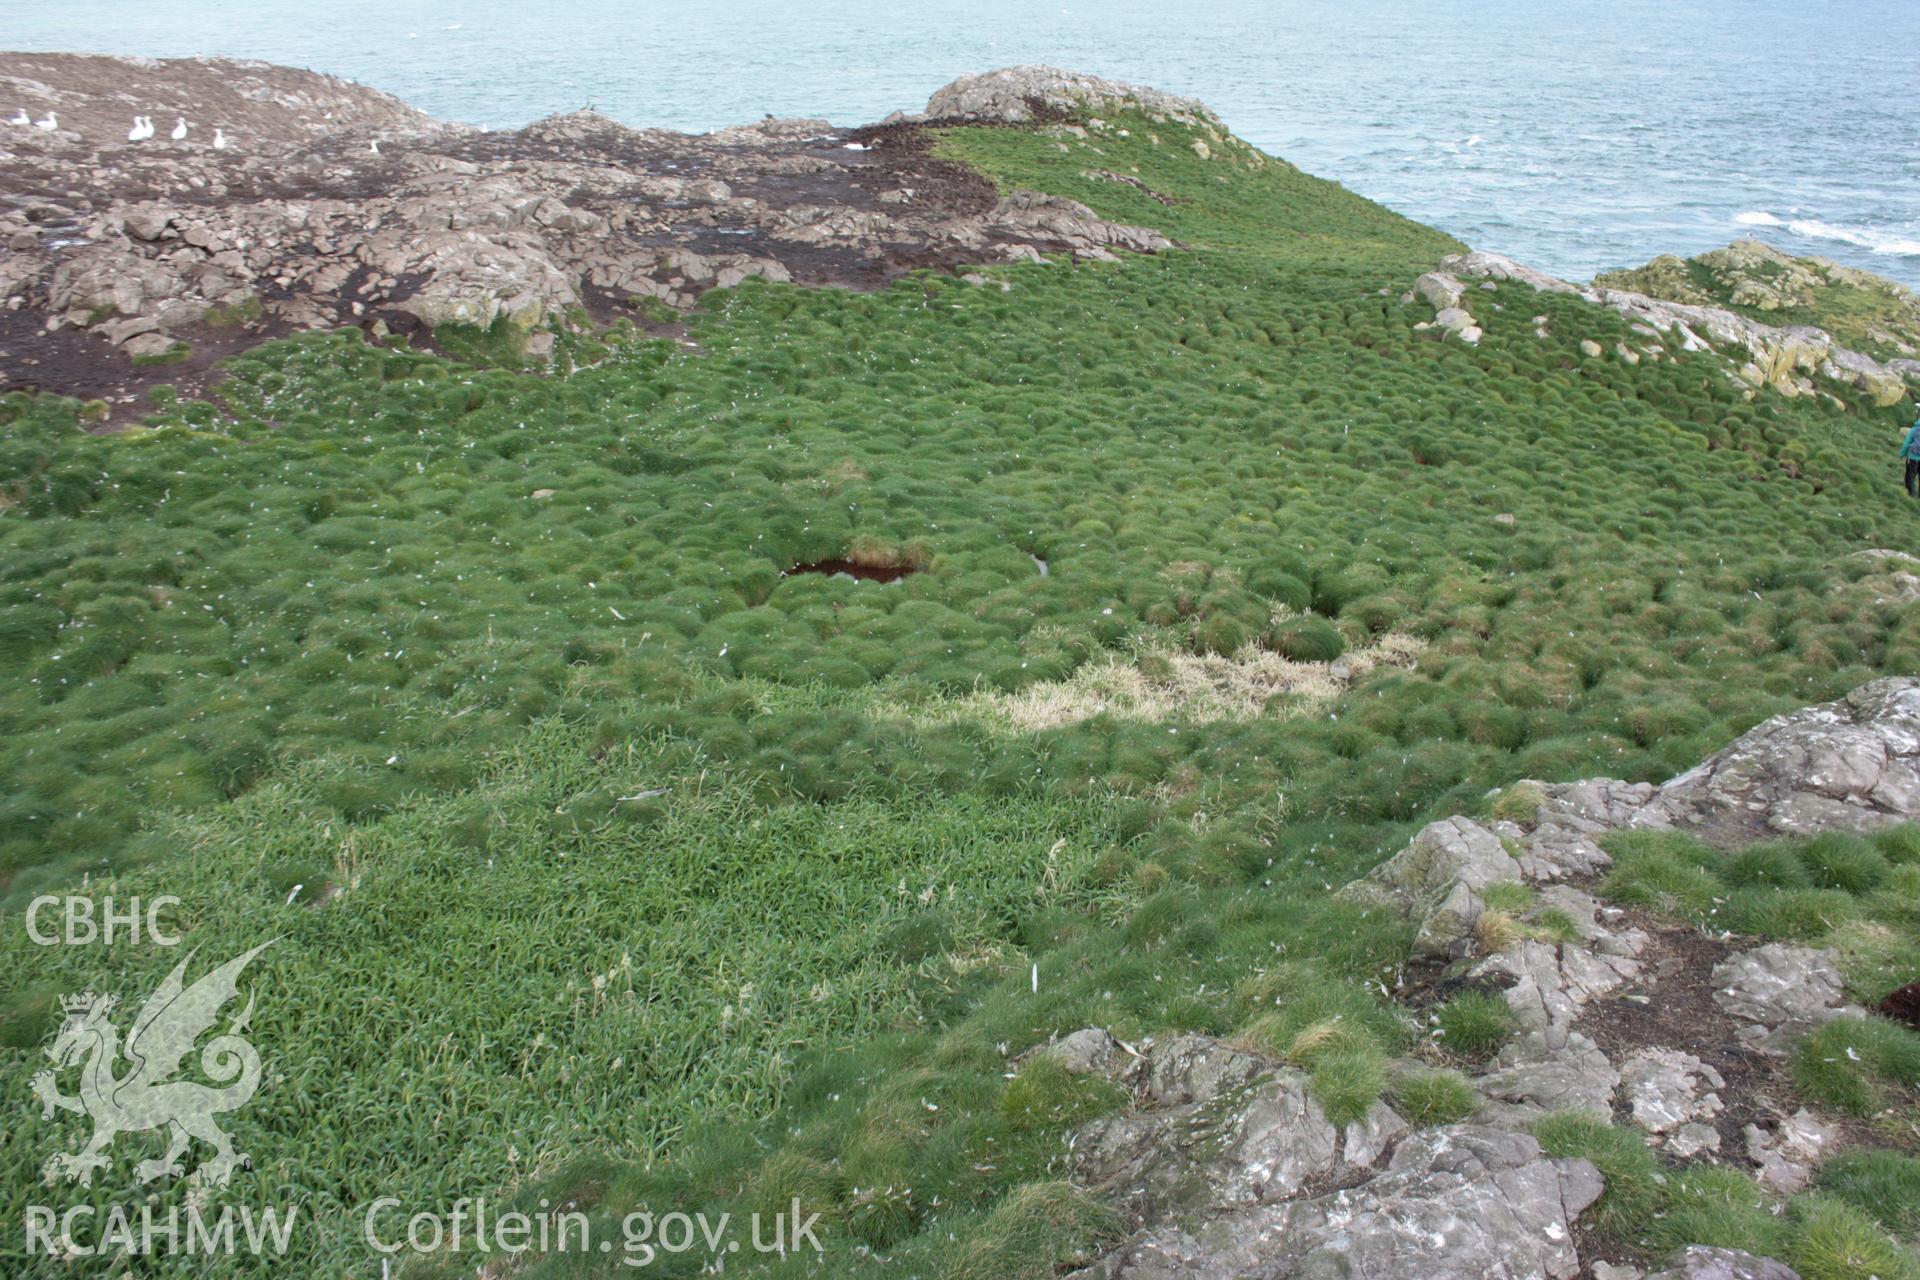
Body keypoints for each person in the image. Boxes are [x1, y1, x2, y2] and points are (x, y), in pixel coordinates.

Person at [1902, 408, 1920, 497]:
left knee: (1910, 476)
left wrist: (1902, 454)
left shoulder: (1914, 430)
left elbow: (1906, 444)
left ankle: (1911, 494)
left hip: (1912, 458)